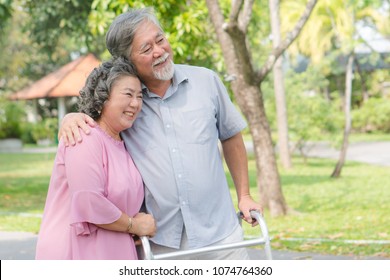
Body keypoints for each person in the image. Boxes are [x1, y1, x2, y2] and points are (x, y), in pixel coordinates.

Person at [58, 7, 262, 260]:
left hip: (222, 237)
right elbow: (100, 125)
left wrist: (244, 195)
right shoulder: (127, 103)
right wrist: (72, 117)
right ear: (127, 61)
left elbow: (231, 135)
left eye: (160, 39)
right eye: (146, 49)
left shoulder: (207, 81)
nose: (159, 51)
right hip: (161, 243)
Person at [35, 57, 156, 260]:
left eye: (140, 96)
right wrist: (135, 225)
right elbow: (88, 201)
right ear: (103, 97)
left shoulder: (123, 142)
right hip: (80, 253)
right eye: (128, 94)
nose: (135, 103)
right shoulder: (84, 135)